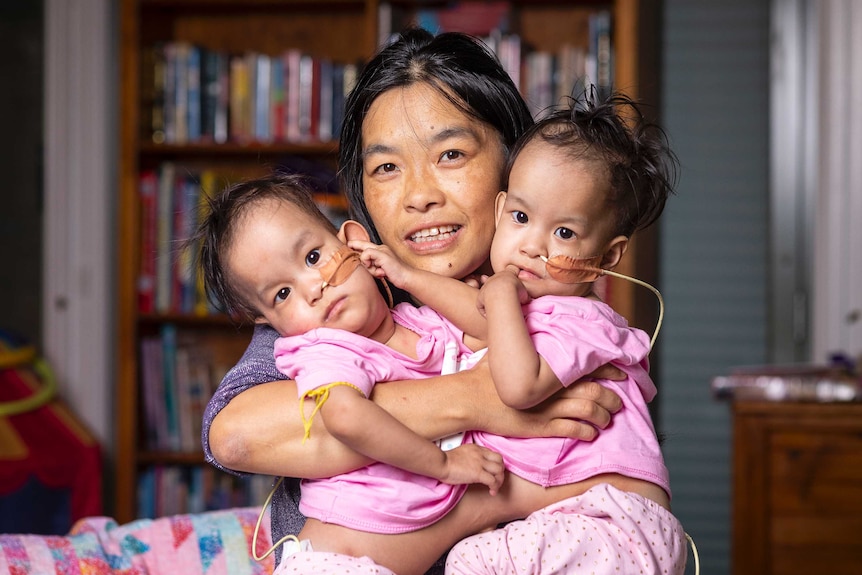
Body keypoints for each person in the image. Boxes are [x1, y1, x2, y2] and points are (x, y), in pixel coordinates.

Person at [202, 28, 624, 575]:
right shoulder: (331, 306)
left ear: (512, 164)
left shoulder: (555, 299)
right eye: (386, 168)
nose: (419, 196)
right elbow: (237, 435)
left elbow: (616, 496)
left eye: (450, 154)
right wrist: (486, 400)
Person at [352, 91, 687, 574]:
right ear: (502, 207)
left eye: (565, 233)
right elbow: (478, 316)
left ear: (608, 257)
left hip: (615, 525)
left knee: (471, 561)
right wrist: (408, 279)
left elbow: (518, 385)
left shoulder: (584, 322)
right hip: (572, 522)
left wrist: (503, 293)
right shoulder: (532, 307)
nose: (532, 246)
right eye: (522, 219)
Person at [195, 173, 505, 574]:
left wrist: (417, 278)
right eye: (282, 294)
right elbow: (344, 417)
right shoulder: (326, 352)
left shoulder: (425, 321)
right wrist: (443, 465)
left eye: (312, 257)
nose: (312, 287)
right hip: (338, 563)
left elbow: (491, 330)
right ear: (267, 321)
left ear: (355, 244)